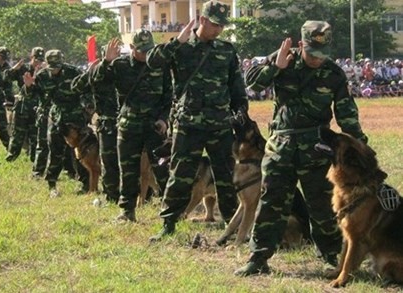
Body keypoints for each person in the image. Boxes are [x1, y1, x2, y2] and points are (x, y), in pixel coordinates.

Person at [234, 20, 368, 276]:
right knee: (271, 201)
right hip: (280, 149)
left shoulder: (334, 74)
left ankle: (332, 257)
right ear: (300, 44)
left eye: (322, 54)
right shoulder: (282, 59)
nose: (317, 59)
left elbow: (347, 114)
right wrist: (275, 67)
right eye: (312, 53)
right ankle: (258, 257)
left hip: (316, 150)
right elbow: (252, 83)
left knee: (322, 205)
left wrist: (360, 145)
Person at [147, 0, 248, 241]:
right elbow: (152, 61)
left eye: (222, 26)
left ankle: (232, 227)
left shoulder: (226, 50)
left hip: (219, 124)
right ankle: (169, 223)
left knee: (226, 176)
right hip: (188, 124)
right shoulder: (182, 48)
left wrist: (241, 113)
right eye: (215, 24)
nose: (219, 30)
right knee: (180, 174)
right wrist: (176, 42)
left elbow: (236, 87)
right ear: (202, 20)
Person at [90, 29, 172, 222]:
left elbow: (169, 97)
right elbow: (97, 83)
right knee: (128, 171)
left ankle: (170, 211)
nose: (146, 54)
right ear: (132, 48)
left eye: (148, 50)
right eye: (141, 50)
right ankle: (127, 211)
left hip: (154, 127)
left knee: (162, 169)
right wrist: (106, 62)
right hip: (129, 127)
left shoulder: (160, 66)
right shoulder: (120, 65)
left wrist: (164, 118)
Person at [22, 49, 91, 197]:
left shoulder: (74, 72)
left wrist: (88, 110)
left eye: (58, 67)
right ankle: (51, 184)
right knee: (55, 151)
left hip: (75, 116)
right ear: (47, 64)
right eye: (52, 67)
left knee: (80, 151)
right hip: (56, 117)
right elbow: (35, 96)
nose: (55, 70)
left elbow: (86, 92)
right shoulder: (42, 76)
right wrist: (28, 87)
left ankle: (85, 183)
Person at [72, 47, 121, 203]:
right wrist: (89, 71)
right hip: (107, 124)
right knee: (109, 161)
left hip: (129, 121)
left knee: (130, 161)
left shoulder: (126, 68)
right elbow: (76, 88)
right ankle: (112, 195)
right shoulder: (97, 73)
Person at [5, 47, 45, 166]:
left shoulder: (45, 71)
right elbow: (5, 78)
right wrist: (14, 69)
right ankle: (11, 157)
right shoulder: (23, 69)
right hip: (22, 106)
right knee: (17, 133)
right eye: (37, 59)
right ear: (31, 57)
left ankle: (34, 159)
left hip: (36, 107)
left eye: (41, 60)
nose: (39, 62)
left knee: (35, 134)